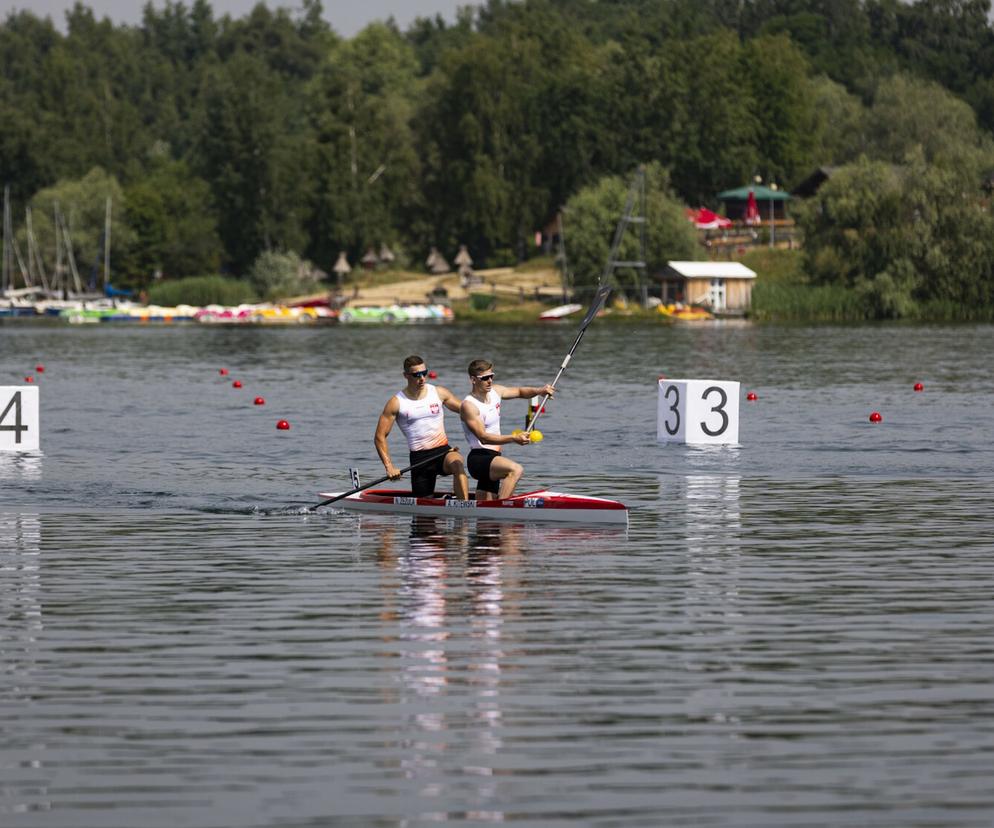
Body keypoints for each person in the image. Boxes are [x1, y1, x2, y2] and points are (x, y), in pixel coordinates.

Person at [375, 355, 469, 499]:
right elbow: (379, 437)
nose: (422, 378)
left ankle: (464, 507)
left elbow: (467, 411)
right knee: (424, 515)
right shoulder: (397, 402)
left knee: (457, 463)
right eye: (416, 375)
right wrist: (389, 467)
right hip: (419, 459)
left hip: (443, 451)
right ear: (406, 375)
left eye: (424, 373)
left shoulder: (439, 393)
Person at [460, 359, 555, 501]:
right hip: (479, 459)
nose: (490, 381)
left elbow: (519, 391)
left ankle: (491, 513)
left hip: (494, 457)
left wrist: (539, 391)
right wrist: (513, 438)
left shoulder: (495, 392)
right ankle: (502, 507)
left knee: (484, 517)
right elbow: (483, 437)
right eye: (485, 378)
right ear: (473, 380)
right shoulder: (469, 405)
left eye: (491, 376)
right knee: (515, 469)